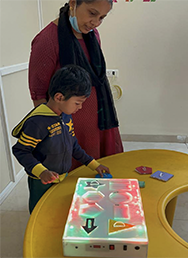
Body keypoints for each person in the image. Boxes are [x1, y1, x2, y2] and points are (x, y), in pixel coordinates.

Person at [29, 0, 123, 170]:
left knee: (97, 175)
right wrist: (54, 136)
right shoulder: (47, 40)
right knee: (71, 178)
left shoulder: (93, 35)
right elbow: (39, 95)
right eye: (92, 13)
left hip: (98, 117)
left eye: (102, 17)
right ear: (73, 3)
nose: (96, 23)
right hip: (68, 124)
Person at [12, 65, 110, 214]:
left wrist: (93, 165)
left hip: (62, 176)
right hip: (41, 181)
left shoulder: (65, 115)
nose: (80, 107)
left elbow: (73, 145)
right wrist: (42, 172)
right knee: (40, 213)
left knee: (56, 211)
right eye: (77, 103)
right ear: (59, 97)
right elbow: (21, 151)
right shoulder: (37, 122)